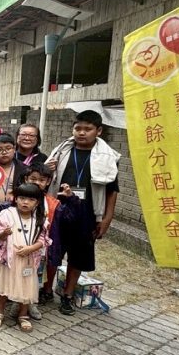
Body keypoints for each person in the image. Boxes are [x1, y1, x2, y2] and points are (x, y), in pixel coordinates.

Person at [45, 110, 119, 315]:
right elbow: (44, 179)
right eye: (78, 128)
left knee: (77, 257)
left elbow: (112, 190)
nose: (82, 133)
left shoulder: (108, 158)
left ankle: (68, 295)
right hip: (58, 212)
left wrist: (107, 219)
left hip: (87, 215)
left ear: (99, 131)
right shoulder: (61, 152)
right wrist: (47, 169)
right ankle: (46, 290)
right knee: (52, 252)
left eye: (88, 129)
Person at [0, 183, 49, 333]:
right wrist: (4, 233)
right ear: (16, 199)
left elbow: (44, 239)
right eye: (22, 198)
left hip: (27, 261)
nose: (25, 202)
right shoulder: (7, 214)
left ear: (37, 202)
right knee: (4, 286)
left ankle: (23, 315)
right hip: (8, 259)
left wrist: (30, 248)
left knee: (26, 288)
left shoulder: (40, 219)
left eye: (31, 199)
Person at [21, 163, 78, 320]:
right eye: (33, 179)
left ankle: (31, 303)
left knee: (35, 277)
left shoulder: (53, 203)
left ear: (48, 182)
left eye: (41, 180)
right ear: (26, 179)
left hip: (39, 249)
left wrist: (70, 199)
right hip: (20, 245)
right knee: (19, 274)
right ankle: (17, 302)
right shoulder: (18, 198)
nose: (37, 182)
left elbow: (69, 218)